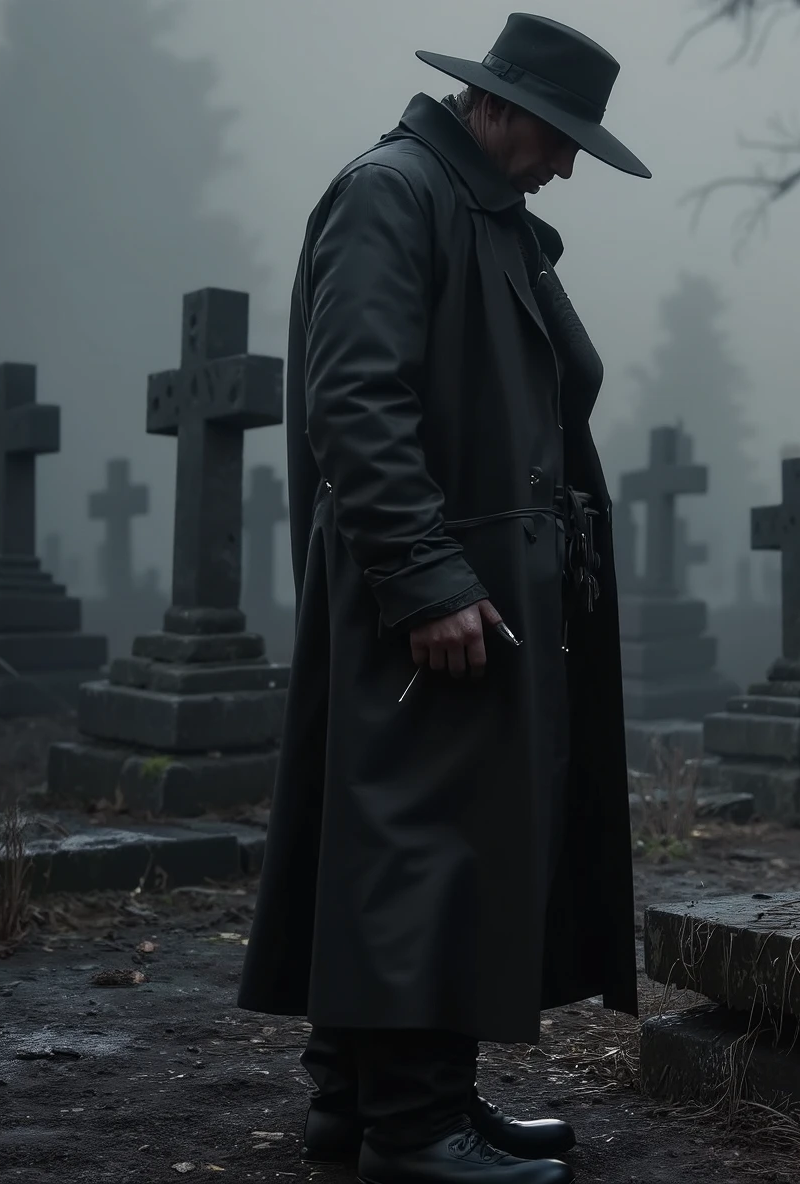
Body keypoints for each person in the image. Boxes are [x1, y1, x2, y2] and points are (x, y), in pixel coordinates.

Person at [238, 14, 648, 1184]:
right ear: (496, 107)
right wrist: (424, 578)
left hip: (481, 588)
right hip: (431, 593)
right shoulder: (395, 192)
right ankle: (411, 1130)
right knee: (420, 848)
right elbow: (355, 400)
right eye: (561, 135)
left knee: (427, 845)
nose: (569, 162)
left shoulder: (480, 211)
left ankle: (377, 1107)